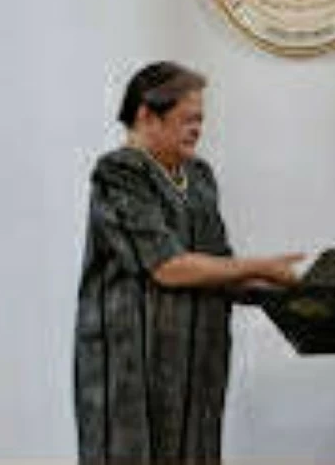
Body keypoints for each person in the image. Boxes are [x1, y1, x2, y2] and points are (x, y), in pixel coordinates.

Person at [74, 61, 301, 465]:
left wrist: (297, 282)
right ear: (146, 114)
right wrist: (260, 267)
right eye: (188, 119)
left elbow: (219, 267)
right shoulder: (119, 172)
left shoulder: (198, 175)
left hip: (197, 367)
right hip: (133, 373)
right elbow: (168, 266)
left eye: (201, 120)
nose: (198, 129)